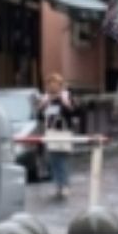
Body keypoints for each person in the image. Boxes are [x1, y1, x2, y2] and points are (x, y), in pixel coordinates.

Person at [36, 73, 79, 201]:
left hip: (64, 131)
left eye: (55, 83)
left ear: (60, 85)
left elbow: (74, 112)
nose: (52, 86)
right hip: (50, 132)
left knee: (63, 159)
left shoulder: (66, 96)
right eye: (49, 83)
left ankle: (65, 185)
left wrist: (64, 103)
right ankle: (58, 185)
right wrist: (43, 105)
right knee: (53, 160)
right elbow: (39, 116)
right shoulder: (45, 98)